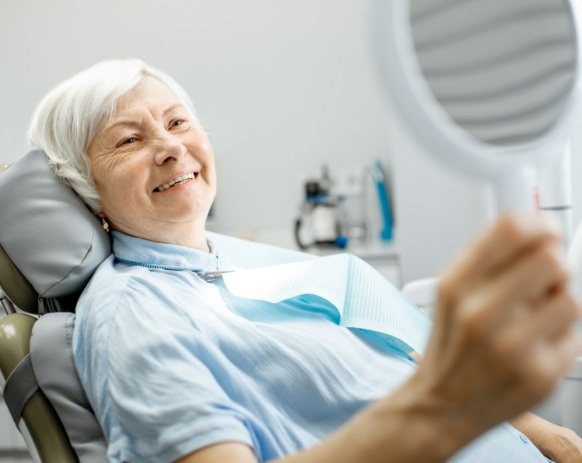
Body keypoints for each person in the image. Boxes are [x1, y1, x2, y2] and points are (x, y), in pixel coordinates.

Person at [27, 58, 582, 463]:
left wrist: (542, 431)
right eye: (128, 141)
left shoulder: (239, 261)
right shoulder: (133, 314)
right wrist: (439, 408)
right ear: (87, 191)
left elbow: (406, 357)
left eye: (177, 123)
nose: (170, 147)